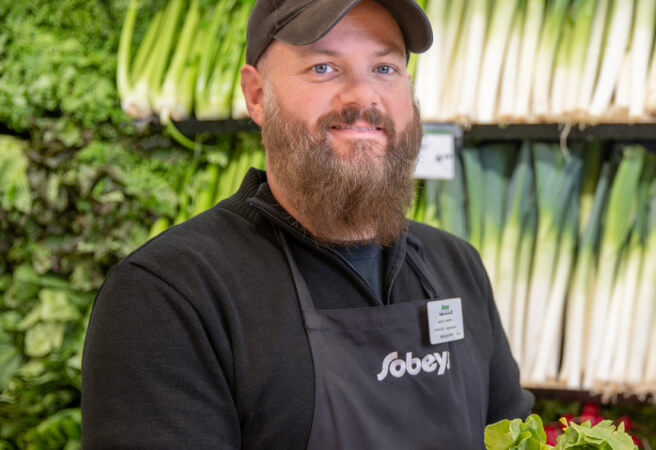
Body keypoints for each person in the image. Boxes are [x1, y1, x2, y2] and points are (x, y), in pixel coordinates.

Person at [80, 1, 533, 448]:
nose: (363, 96)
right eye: (323, 68)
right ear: (257, 96)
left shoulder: (456, 266)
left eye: (385, 69)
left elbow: (510, 435)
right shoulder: (170, 293)